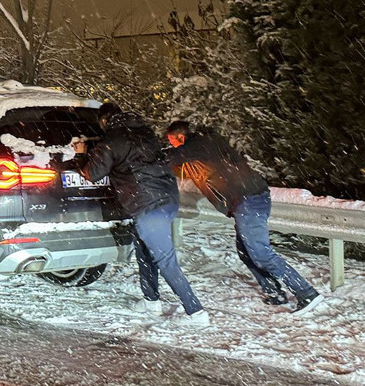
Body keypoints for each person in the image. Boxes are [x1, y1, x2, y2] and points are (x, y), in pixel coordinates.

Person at [165, 121, 323, 315]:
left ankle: (307, 293)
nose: (172, 144)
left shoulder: (196, 145)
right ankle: (274, 292)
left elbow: (169, 159)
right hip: (250, 198)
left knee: (261, 254)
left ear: (181, 137)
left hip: (248, 201)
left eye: (172, 140)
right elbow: (178, 166)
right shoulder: (207, 146)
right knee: (246, 252)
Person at [71, 103, 208, 325]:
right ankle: (151, 300)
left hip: (148, 204)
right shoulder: (144, 132)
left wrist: (81, 155)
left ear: (104, 121)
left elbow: (92, 173)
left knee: (165, 260)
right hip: (166, 197)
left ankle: (196, 312)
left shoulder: (112, 140)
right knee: (144, 251)